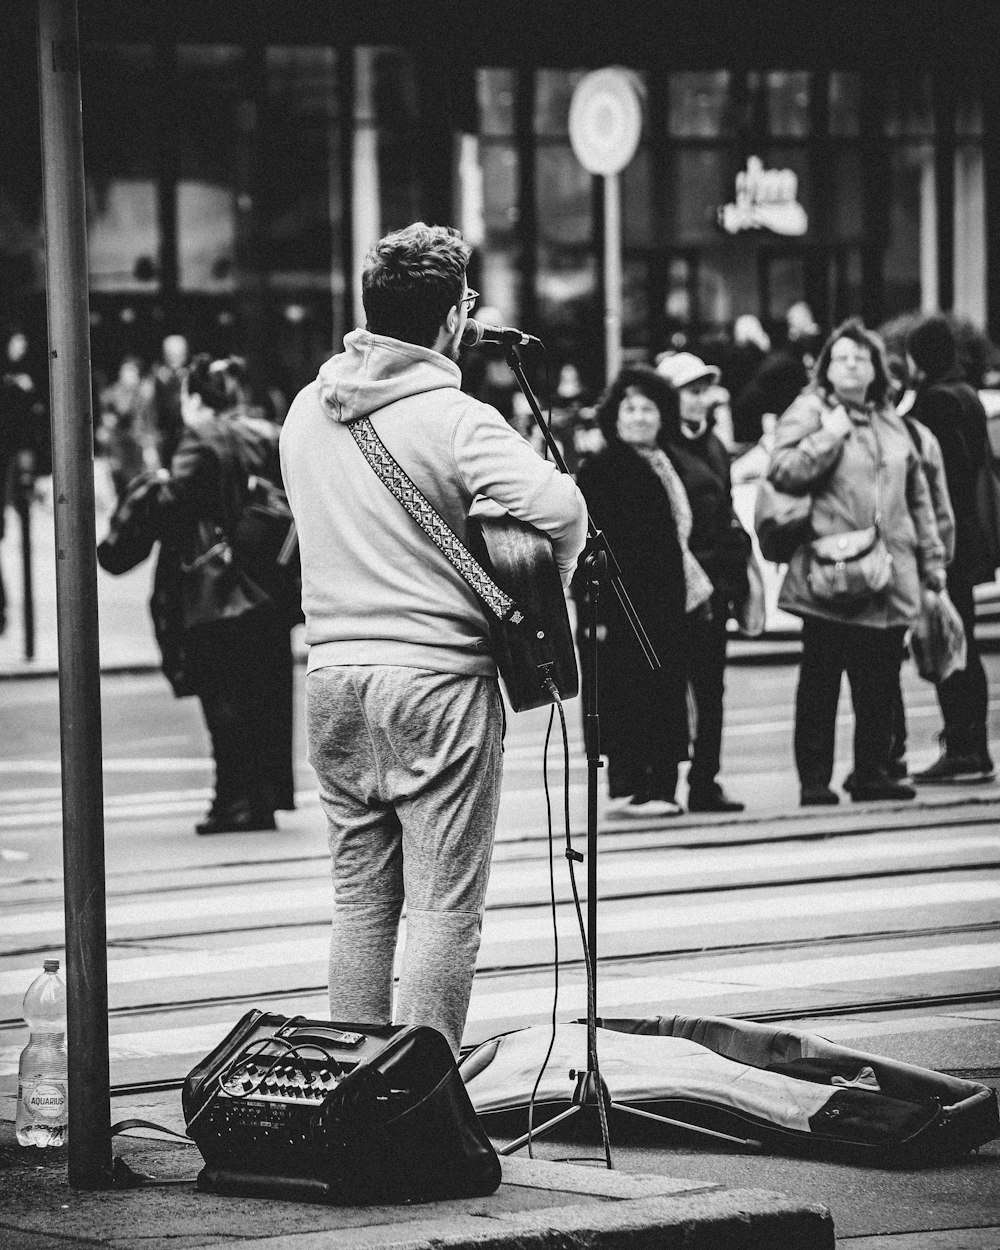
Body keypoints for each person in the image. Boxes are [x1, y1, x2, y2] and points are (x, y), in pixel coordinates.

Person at [279, 222, 587, 1056]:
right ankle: (419, 1103)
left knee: (361, 904)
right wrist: (532, 606)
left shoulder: (306, 411)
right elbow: (563, 510)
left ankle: (350, 1093)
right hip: (439, 686)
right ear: (455, 315)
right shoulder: (458, 420)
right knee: (445, 908)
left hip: (335, 681)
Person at [767, 317, 947, 806]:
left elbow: (920, 497)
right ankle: (815, 780)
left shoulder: (891, 420)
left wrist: (933, 562)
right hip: (832, 574)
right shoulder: (809, 410)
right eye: (841, 357)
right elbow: (781, 472)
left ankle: (870, 772)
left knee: (879, 679)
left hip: (891, 573)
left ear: (876, 369)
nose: (850, 365)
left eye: (860, 357)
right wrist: (828, 436)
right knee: (821, 679)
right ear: (826, 369)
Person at [575, 364, 710, 817]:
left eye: (648, 407)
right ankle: (643, 788)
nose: (638, 416)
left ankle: (656, 786)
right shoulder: (602, 470)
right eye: (629, 407)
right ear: (614, 415)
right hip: (626, 607)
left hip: (665, 604)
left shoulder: (668, 461)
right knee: (633, 693)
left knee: (663, 692)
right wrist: (598, 613)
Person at [171, 354, 296, 834]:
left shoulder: (200, 438)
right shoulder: (268, 433)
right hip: (270, 588)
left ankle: (233, 800)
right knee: (264, 698)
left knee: (222, 698)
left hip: (219, 590)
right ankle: (261, 799)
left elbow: (172, 502)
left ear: (196, 398)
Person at [657, 351, 749, 813]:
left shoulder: (712, 444)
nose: (701, 400)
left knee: (711, 687)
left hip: (717, 585)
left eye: (703, 391)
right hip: (678, 587)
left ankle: (704, 780)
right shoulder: (661, 451)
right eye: (691, 392)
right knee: (675, 685)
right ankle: (667, 780)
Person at [906, 315, 996, 782]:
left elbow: (938, 477)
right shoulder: (965, 394)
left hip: (947, 542)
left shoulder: (937, 401)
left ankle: (964, 749)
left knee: (948, 642)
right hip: (971, 537)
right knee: (965, 640)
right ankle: (973, 747)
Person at [150, 333, 190, 467]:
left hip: (187, 439)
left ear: (185, 354)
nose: (173, 357)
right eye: (170, 353)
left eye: (178, 353)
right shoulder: (156, 380)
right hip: (163, 441)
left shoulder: (191, 379)